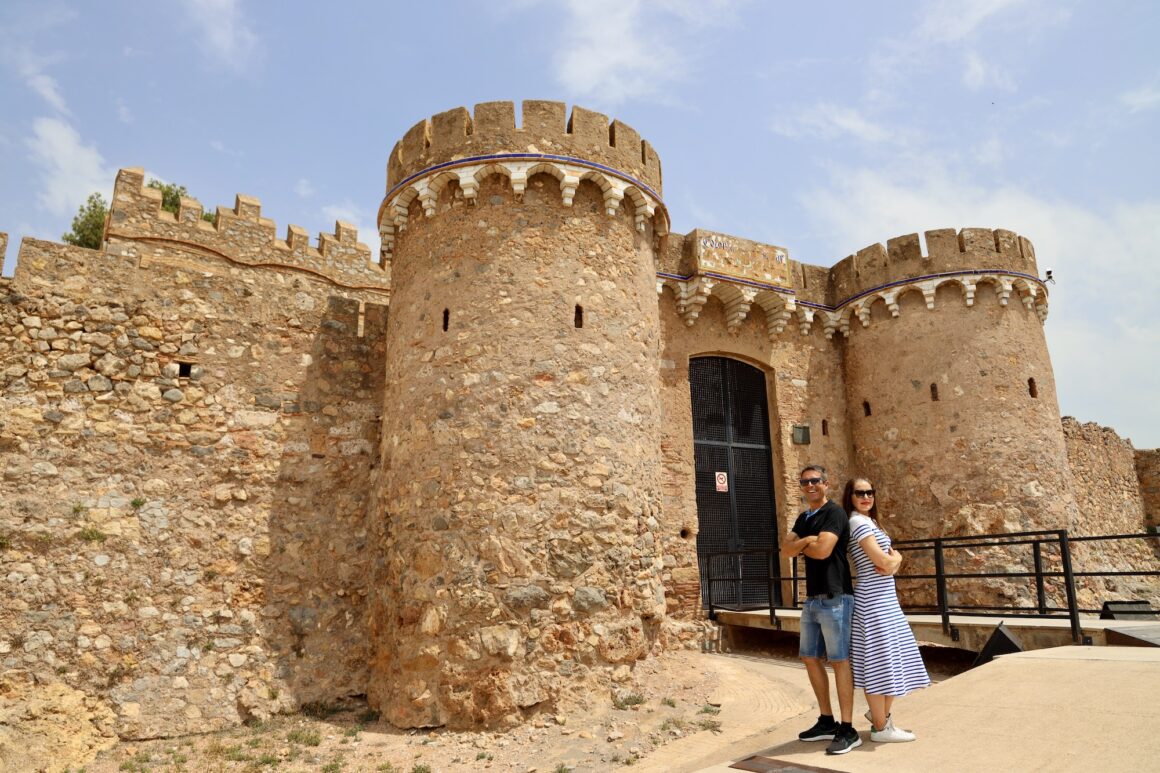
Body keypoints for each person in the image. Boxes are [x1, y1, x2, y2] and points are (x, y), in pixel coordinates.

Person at [842, 476, 931, 743]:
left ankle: (881, 719)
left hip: (886, 600)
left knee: (893, 658)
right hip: (874, 601)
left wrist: (894, 561)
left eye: (870, 492)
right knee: (879, 662)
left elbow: (887, 564)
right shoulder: (857, 522)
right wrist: (897, 558)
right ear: (851, 496)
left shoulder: (870, 522)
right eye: (860, 493)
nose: (866, 497)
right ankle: (881, 728)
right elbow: (881, 561)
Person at [781, 465, 860, 755]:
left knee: (839, 660)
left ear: (826, 484)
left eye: (815, 481)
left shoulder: (835, 513)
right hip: (813, 599)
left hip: (836, 597)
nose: (810, 486)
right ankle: (827, 720)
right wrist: (805, 542)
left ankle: (848, 728)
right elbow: (785, 550)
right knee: (809, 657)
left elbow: (824, 550)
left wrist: (802, 545)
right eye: (805, 482)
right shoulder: (804, 517)